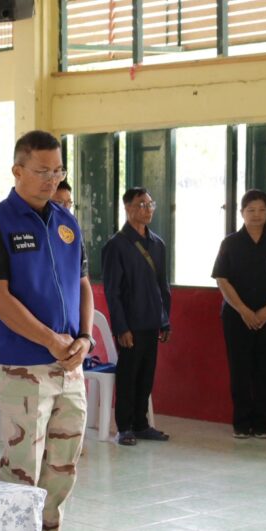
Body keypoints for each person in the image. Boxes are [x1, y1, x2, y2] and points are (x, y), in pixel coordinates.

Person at [0, 130, 94, 531]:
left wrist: (83, 339)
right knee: (22, 465)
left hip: (69, 365)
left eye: (58, 170)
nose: (51, 179)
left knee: (62, 464)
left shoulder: (67, 222)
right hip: (24, 366)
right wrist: (50, 341)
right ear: (18, 170)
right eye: (42, 171)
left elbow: (82, 283)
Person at [212, 189, 266, 439]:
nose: (256, 215)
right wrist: (244, 310)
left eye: (261, 210)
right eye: (251, 210)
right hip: (237, 318)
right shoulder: (230, 243)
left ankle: (263, 424)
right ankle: (242, 423)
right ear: (242, 212)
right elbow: (222, 279)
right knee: (240, 371)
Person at [102, 187, 172, 446]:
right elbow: (112, 292)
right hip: (130, 324)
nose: (147, 209)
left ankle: (142, 425)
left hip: (152, 321)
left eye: (150, 204)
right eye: (141, 204)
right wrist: (121, 327)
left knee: (146, 375)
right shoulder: (116, 245)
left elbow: (163, 285)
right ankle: (125, 427)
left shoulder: (158, 244)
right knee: (128, 375)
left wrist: (165, 320)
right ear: (128, 208)